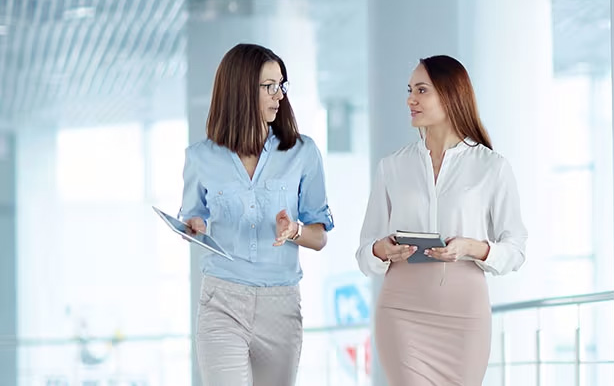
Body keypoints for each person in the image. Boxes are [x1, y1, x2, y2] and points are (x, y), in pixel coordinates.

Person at [356, 55, 527, 385]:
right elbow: (365, 251)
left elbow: (516, 249)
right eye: (410, 90)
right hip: (401, 312)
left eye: (422, 90)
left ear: (450, 95)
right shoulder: (391, 167)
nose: (410, 99)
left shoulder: (492, 167)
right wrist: (381, 250)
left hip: (465, 316)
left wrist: (473, 248)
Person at [179, 43, 334, 386]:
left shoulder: (302, 152)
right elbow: (193, 217)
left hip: (280, 302)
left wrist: (293, 230)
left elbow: (319, 237)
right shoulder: (200, 157)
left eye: (282, 85)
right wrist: (195, 225)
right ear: (240, 90)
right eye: (269, 86)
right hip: (222, 300)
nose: (279, 95)